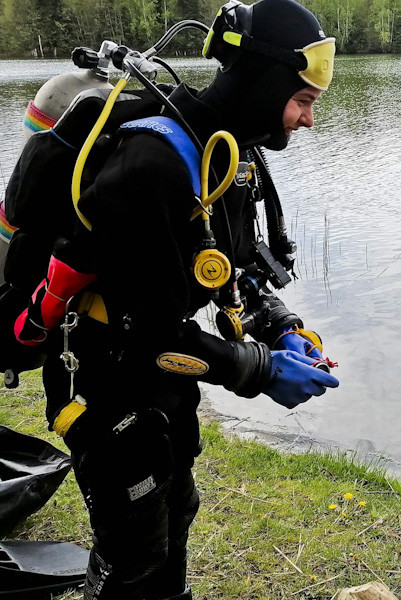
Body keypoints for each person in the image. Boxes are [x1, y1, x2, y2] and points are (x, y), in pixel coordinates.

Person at [5, 1, 339, 598]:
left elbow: (235, 269)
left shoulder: (230, 154)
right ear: (265, 83)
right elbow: (149, 335)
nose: (307, 119)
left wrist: (281, 327)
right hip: (104, 378)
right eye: (303, 101)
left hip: (160, 380)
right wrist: (261, 372)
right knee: (134, 548)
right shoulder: (152, 165)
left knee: (176, 505)